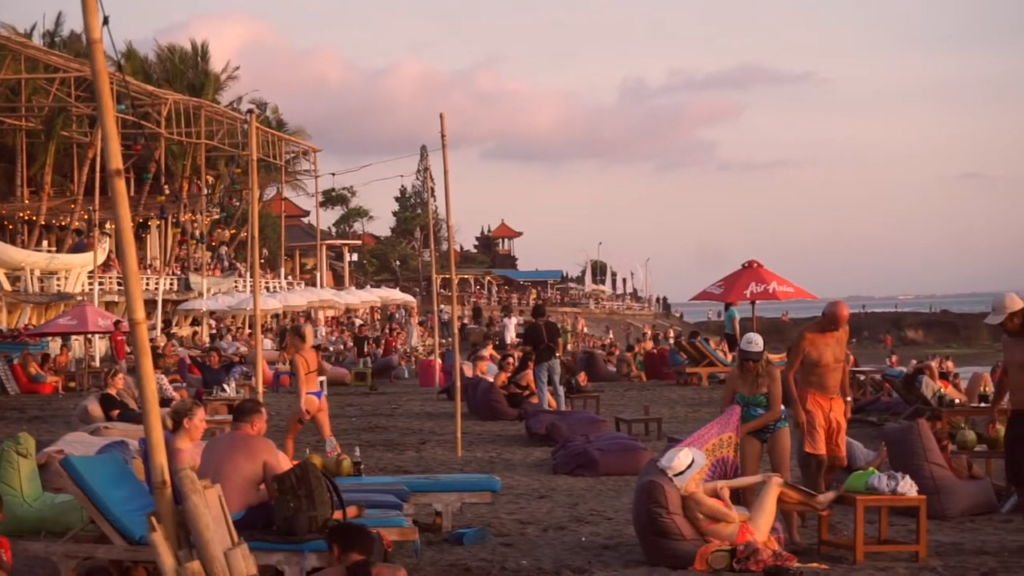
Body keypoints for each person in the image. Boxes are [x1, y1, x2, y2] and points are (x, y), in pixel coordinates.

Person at [198, 399, 360, 532]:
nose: (266, 426)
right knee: (290, 510)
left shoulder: (211, 444)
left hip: (204, 519)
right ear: (255, 425)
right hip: (235, 522)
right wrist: (258, 494)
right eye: (265, 422)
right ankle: (333, 515)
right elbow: (280, 493)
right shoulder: (263, 445)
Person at [662, 447, 839, 547]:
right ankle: (817, 501)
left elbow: (730, 483)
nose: (701, 470)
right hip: (747, 535)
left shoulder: (695, 490)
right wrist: (726, 499)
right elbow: (730, 516)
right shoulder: (695, 499)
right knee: (776, 484)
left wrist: (761, 477)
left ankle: (816, 507)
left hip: (745, 527)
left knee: (772, 487)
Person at [719, 332, 798, 543]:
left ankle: (794, 534)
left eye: (754, 360)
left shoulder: (772, 373)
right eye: (745, 359)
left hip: (775, 426)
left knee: (782, 480)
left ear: (762, 357)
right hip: (748, 430)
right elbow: (725, 406)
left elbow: (774, 411)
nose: (750, 364)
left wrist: (744, 428)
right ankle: (754, 535)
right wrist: (732, 421)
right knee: (747, 483)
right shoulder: (735, 374)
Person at [785, 301, 852, 493]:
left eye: (838, 325)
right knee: (819, 457)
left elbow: (842, 367)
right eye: (831, 324)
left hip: (836, 400)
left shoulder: (843, 332)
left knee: (837, 459)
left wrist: (848, 400)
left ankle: (811, 489)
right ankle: (820, 499)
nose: (834, 329)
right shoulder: (806, 337)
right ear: (823, 315)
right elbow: (789, 373)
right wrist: (796, 407)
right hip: (812, 398)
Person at [986, 292, 1024, 517]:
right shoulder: (1007, 341)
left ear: (1017, 317)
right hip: (1017, 410)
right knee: (1014, 460)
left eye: (1004, 322)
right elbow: (1006, 377)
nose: (1001, 327)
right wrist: (993, 409)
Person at [284, 324, 340, 460]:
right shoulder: (314, 352)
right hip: (320, 397)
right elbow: (322, 371)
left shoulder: (298, 357)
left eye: (292, 338)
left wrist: (301, 404)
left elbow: (301, 382)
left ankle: (286, 467)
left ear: (297, 338)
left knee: (289, 436)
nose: (291, 341)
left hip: (309, 398)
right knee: (328, 436)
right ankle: (340, 463)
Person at [320, 521, 408, 576]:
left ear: (336, 550)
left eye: (329, 554)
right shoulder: (397, 572)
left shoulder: (328, 574)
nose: (328, 562)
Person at [522, 303, 564, 410]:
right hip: (554, 357)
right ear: (545, 313)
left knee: (542, 386)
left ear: (533, 314)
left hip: (540, 358)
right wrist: (559, 354)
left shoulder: (530, 328)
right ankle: (562, 409)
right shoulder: (553, 325)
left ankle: (544, 409)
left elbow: (527, 348)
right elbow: (559, 341)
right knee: (558, 385)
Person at [167, 399, 207, 471]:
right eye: (201, 421)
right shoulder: (180, 456)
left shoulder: (196, 444)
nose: (205, 426)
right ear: (187, 423)